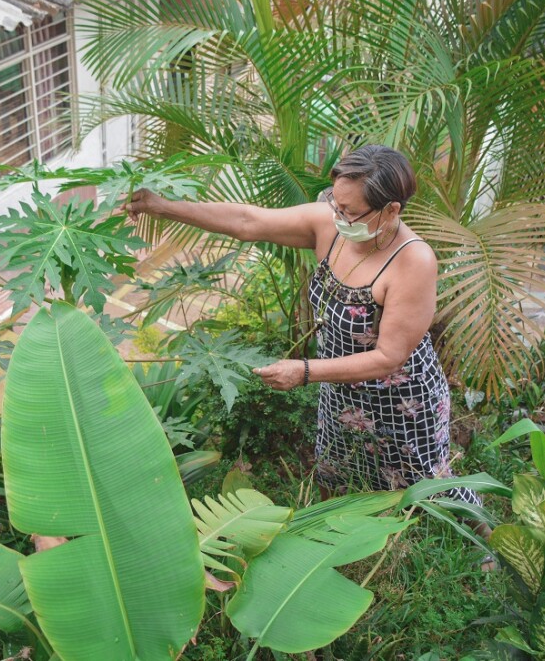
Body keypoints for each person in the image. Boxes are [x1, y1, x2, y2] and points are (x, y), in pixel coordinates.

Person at [127, 145, 480, 506]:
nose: (339, 218)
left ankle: (483, 538)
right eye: (336, 205)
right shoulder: (330, 225)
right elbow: (249, 223)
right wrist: (163, 207)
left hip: (401, 399)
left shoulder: (413, 261)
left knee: (426, 484)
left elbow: (389, 356)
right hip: (340, 388)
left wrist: (305, 371)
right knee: (337, 471)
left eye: (352, 212)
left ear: (391, 210)